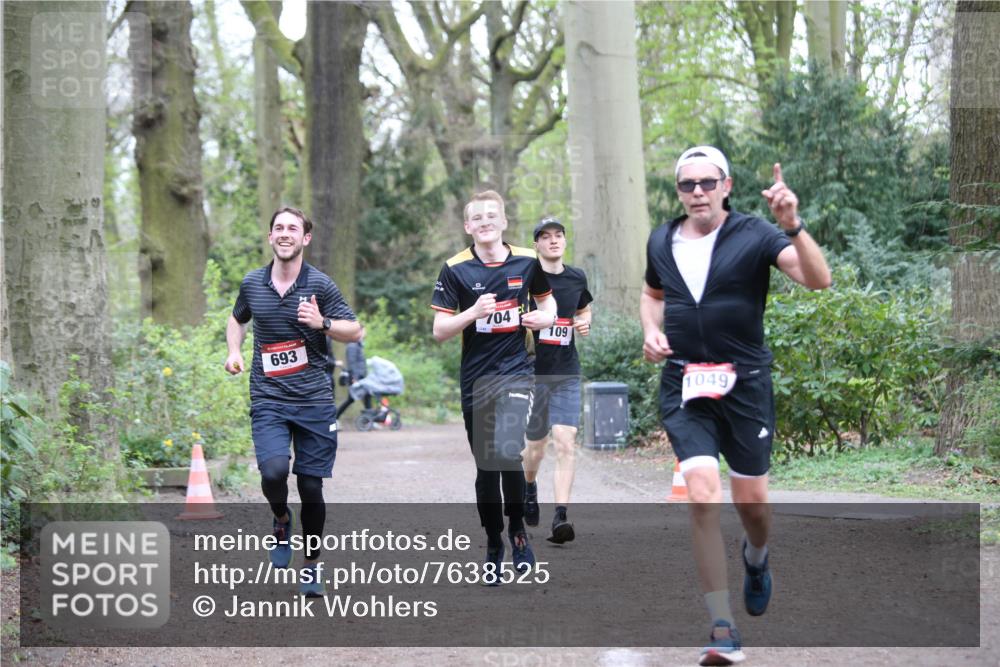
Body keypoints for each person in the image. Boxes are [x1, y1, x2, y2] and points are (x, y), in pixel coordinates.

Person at [640, 147, 831, 665]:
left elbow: (818, 279)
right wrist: (651, 331)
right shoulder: (662, 238)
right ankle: (721, 627)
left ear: (726, 185)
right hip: (685, 384)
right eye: (687, 185)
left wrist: (792, 225)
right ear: (677, 191)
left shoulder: (755, 234)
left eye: (707, 182)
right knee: (702, 494)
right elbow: (652, 293)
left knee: (754, 508)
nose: (697, 192)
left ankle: (757, 557)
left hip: (745, 385)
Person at [224, 206, 363, 598]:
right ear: (270, 237)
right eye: (279, 228)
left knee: (312, 488)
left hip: (315, 400)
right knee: (272, 473)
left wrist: (323, 324)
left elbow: (355, 330)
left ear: (305, 239)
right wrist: (234, 351)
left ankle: (312, 565)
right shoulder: (253, 283)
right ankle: (281, 518)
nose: (285, 233)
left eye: (293, 228)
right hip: (268, 396)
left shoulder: (320, 285)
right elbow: (237, 318)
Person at [430, 190, 558, 583]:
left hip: (517, 371)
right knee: (487, 468)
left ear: (503, 222)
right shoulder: (454, 269)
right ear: (468, 227)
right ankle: (493, 541)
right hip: (476, 379)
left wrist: (543, 319)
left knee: (507, 451)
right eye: (477, 218)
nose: (485, 222)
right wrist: (472, 312)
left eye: (492, 216)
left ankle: (518, 531)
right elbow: (439, 331)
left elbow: (548, 303)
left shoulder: (527, 260)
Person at [521, 217, 593, 544]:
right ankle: (529, 486)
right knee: (536, 448)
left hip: (566, 371)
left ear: (564, 241)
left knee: (566, 442)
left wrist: (583, 323)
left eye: (558, 235)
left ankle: (561, 516)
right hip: (533, 374)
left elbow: (585, 309)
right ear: (536, 243)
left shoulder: (576, 277)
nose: (553, 241)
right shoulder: (524, 278)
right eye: (545, 236)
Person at [336, 328, 372, 417]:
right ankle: (335, 417)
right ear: (358, 332)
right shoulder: (352, 345)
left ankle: (369, 418)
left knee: (367, 395)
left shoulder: (358, 345)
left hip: (361, 377)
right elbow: (352, 363)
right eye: (363, 331)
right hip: (356, 378)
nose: (365, 333)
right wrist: (354, 378)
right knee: (351, 399)